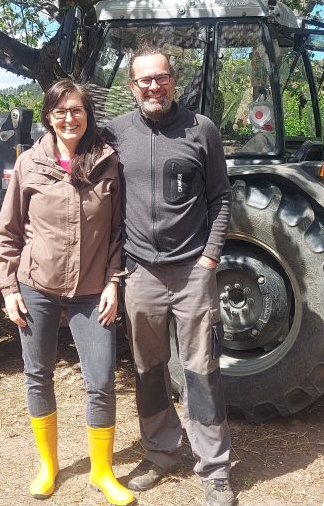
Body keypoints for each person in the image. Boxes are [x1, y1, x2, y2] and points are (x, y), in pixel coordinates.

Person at [104, 46, 236, 506]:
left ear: (173, 80)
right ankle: (161, 451)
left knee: (201, 372)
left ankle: (214, 469)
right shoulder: (116, 133)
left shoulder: (202, 130)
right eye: (144, 81)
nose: (153, 87)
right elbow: (73, 157)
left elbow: (221, 197)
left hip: (192, 271)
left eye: (161, 78)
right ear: (132, 87)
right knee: (148, 370)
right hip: (140, 273)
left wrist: (210, 259)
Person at [0, 79, 134, 506]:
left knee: (102, 380)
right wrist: (8, 289)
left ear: (88, 115)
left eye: (76, 110)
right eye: (60, 111)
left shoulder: (108, 163)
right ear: (48, 116)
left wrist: (113, 282)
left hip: (93, 292)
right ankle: (49, 465)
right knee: (38, 374)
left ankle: (102, 471)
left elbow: (117, 232)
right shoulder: (29, 165)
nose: (69, 118)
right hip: (36, 287)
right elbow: (8, 231)